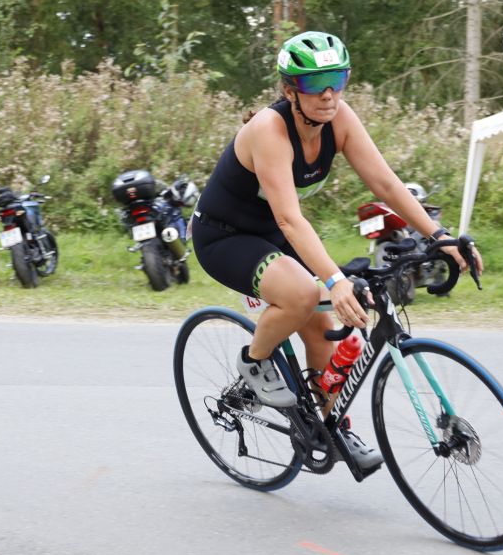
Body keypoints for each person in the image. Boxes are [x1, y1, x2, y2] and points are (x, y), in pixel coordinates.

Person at [191, 30, 479, 470]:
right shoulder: (269, 129)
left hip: (273, 233)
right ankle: (254, 361)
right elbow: (290, 218)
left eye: (337, 80)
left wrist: (440, 237)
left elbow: (387, 185)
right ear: (290, 89)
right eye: (314, 83)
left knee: (322, 329)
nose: (328, 94)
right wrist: (335, 279)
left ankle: (328, 428)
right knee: (304, 294)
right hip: (223, 236)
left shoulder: (340, 119)